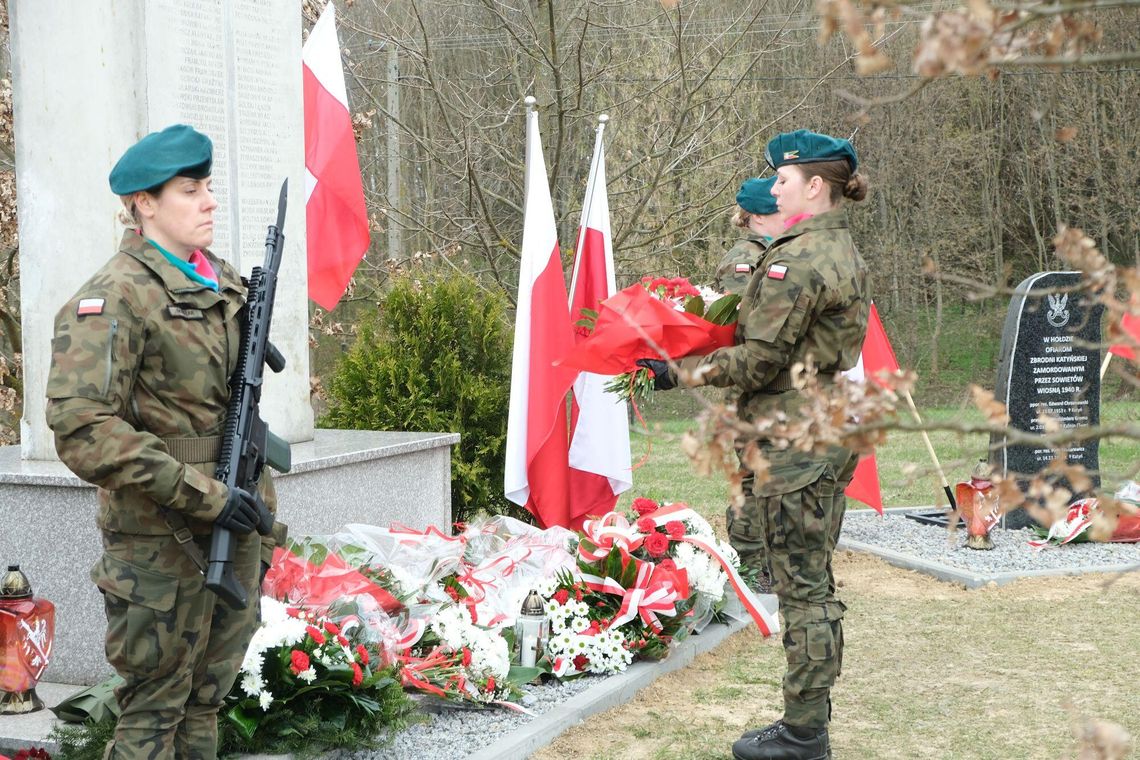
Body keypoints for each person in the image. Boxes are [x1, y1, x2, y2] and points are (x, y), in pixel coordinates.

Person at [45, 124, 282, 760]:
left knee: (205, 701)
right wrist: (201, 494)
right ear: (144, 203)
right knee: (155, 709)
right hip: (161, 540)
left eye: (208, 186)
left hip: (237, 521)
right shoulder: (113, 297)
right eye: (190, 190)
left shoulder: (222, 280)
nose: (209, 201)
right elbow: (82, 427)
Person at [640, 129, 870, 760]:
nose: (774, 188)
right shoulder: (838, 246)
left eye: (782, 179)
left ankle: (804, 733)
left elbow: (760, 360)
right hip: (826, 424)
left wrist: (675, 371)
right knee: (812, 581)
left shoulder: (798, 258)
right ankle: (807, 724)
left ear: (814, 186)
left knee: (804, 589)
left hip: (795, 438)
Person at [711, 175, 785, 594]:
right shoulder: (744, 258)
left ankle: (768, 561)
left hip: (773, 388)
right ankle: (749, 564)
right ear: (757, 217)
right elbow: (743, 321)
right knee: (754, 478)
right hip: (749, 390)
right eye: (778, 211)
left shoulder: (776, 252)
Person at [712, 175, 785, 295]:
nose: (789, 216)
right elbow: (736, 304)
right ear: (759, 216)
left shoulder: (772, 249)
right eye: (781, 210)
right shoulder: (742, 259)